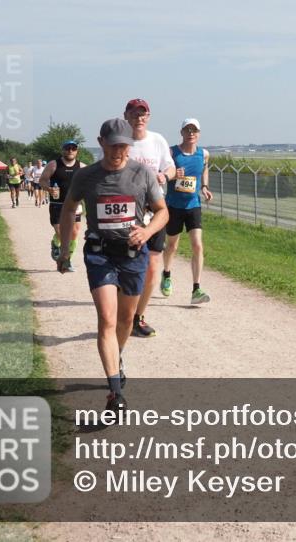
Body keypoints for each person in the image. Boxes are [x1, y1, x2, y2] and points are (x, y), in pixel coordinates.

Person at [56, 118, 168, 413]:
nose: (119, 150)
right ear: (101, 142)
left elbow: (162, 212)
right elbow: (69, 209)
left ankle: (115, 357)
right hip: (99, 254)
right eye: (114, 144)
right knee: (107, 319)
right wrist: (65, 251)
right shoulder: (86, 176)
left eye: (124, 145)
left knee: (125, 321)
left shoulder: (142, 174)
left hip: (132, 255)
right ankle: (114, 392)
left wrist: (147, 231)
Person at [124, 98, 175, 337]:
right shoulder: (122, 142)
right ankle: (121, 313)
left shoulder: (158, 140)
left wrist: (165, 175)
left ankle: (138, 317)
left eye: (143, 113)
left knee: (153, 268)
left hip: (155, 209)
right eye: (135, 113)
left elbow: (171, 167)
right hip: (129, 211)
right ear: (126, 115)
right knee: (128, 266)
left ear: (149, 116)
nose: (139, 117)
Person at [160, 119, 213, 304]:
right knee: (172, 246)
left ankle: (196, 289)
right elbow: (164, 171)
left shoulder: (203, 154)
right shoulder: (172, 152)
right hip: (174, 205)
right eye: (187, 130)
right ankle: (166, 274)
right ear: (181, 132)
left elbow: (204, 170)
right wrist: (175, 174)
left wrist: (205, 186)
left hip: (193, 205)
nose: (191, 133)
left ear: (198, 133)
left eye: (194, 130)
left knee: (198, 245)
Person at [41, 140, 87, 271]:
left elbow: (91, 182)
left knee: (74, 233)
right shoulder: (54, 164)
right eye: (68, 148)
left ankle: (68, 260)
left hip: (75, 204)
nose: (70, 151)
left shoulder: (82, 167)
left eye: (73, 148)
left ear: (77, 151)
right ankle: (56, 243)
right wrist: (49, 189)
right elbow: (42, 180)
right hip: (58, 204)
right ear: (63, 150)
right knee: (61, 232)